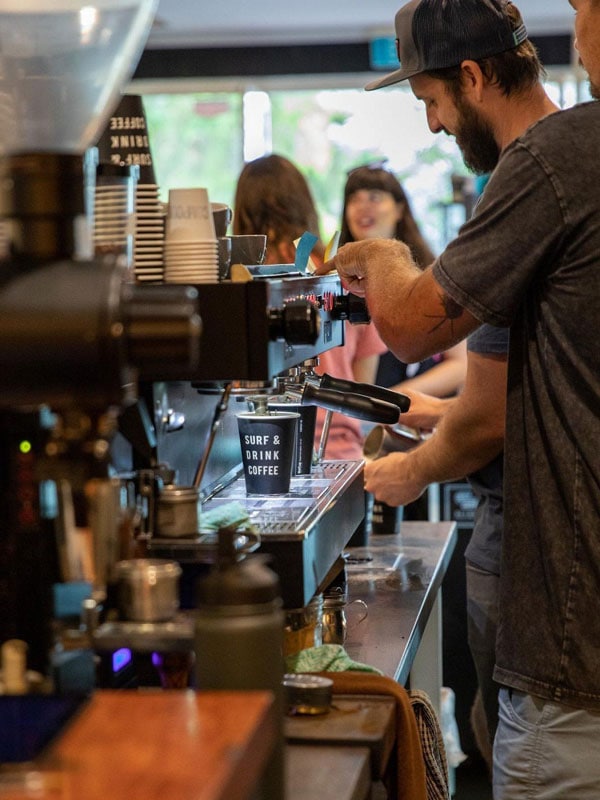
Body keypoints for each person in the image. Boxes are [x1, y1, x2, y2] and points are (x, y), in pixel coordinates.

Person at [317, 0, 600, 796]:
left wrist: (381, 254)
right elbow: (523, 391)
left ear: (473, 78)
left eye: (432, 102)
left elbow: (412, 333)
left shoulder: (541, 164)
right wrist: (411, 413)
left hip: (568, 634)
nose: (436, 126)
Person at [233, 154, 387, 460]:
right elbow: (360, 385)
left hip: (259, 451)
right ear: (303, 203)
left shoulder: (238, 285)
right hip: (342, 451)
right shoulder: (345, 277)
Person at [340, 164, 467, 399]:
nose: (363, 207)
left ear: (399, 209)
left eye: (374, 197)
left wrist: (390, 401)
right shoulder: (334, 283)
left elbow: (460, 365)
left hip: (415, 419)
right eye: (354, 199)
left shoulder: (428, 273)